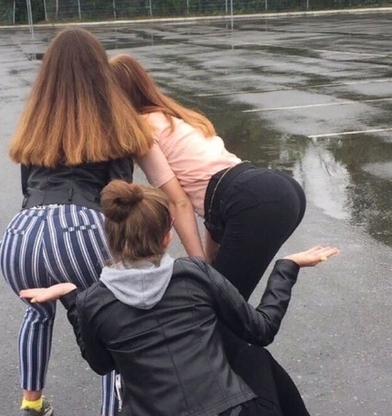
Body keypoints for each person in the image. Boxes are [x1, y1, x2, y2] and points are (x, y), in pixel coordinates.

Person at [20, 180, 339, 416]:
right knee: (252, 352)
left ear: (110, 239)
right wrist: (286, 266)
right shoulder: (195, 274)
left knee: (125, 387)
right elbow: (261, 329)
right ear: (167, 235)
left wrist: (72, 300)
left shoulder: (94, 301)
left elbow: (102, 364)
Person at [0, 29, 153, 416]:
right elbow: (118, 195)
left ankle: (31, 407)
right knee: (112, 322)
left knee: (37, 312)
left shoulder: (37, 121)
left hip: (20, 234)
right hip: (83, 224)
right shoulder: (113, 120)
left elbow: (27, 189)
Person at [110, 54, 307, 301]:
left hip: (252, 197)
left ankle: (271, 297)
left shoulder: (142, 131)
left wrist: (200, 266)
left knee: (219, 304)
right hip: (277, 189)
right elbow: (216, 192)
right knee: (227, 301)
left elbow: (178, 202)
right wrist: (211, 255)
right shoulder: (175, 118)